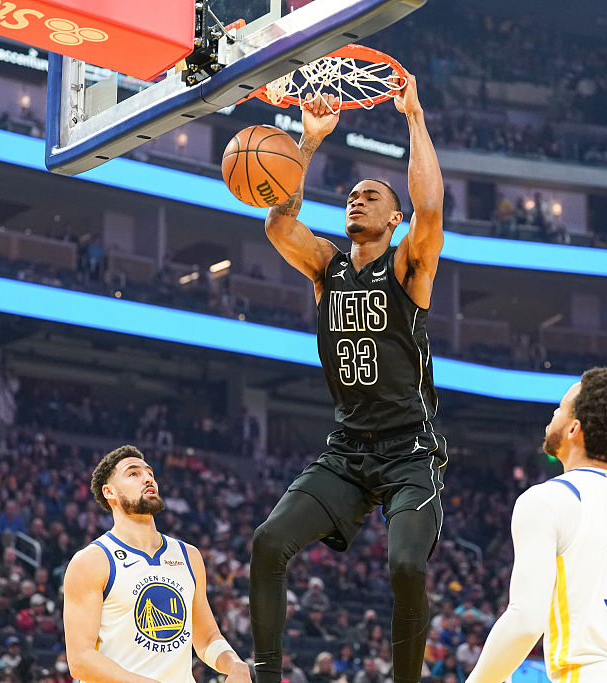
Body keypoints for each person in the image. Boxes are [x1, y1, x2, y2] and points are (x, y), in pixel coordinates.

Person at [251, 69, 446, 683]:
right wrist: (306, 143)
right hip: (346, 452)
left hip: (410, 451)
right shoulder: (326, 268)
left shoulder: (409, 265)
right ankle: (266, 676)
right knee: (266, 544)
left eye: (373, 196)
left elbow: (432, 207)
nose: (357, 199)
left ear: (394, 221)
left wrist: (413, 117)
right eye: (352, 196)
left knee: (407, 569)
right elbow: (277, 226)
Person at [466, 368, 607, 683]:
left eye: (560, 408)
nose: (553, 413)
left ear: (574, 428)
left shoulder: (548, 499)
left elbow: (526, 621)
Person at [63, 446, 249, 683]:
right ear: (109, 492)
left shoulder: (188, 555)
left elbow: (207, 637)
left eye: (149, 473)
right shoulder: (91, 561)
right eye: (133, 474)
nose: (148, 478)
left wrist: (234, 663)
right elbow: (80, 660)